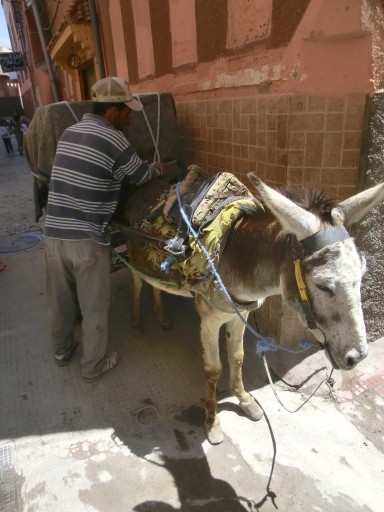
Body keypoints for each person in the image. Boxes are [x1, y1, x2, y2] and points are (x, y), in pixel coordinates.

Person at [44, 76, 167, 382]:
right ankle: (93, 366)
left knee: (59, 298)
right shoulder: (113, 138)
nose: (129, 117)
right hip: (86, 239)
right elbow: (138, 175)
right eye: (127, 111)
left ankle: (61, 350)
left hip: (53, 233)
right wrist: (159, 169)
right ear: (112, 112)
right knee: (94, 303)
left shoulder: (68, 132)